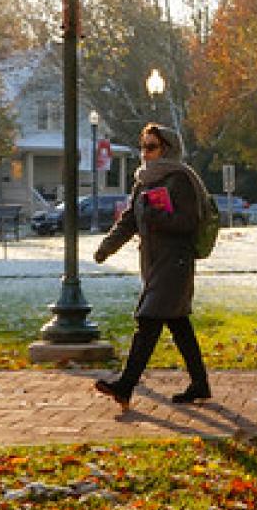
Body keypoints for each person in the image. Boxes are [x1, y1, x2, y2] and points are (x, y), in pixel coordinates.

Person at [91, 123, 213, 409]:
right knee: (178, 324)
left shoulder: (179, 179)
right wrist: (105, 248)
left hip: (176, 262)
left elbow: (188, 222)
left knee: (148, 321)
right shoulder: (143, 182)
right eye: (143, 147)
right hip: (154, 262)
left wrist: (158, 216)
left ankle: (125, 385)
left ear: (166, 149)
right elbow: (130, 221)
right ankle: (200, 383)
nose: (144, 154)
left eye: (151, 147)